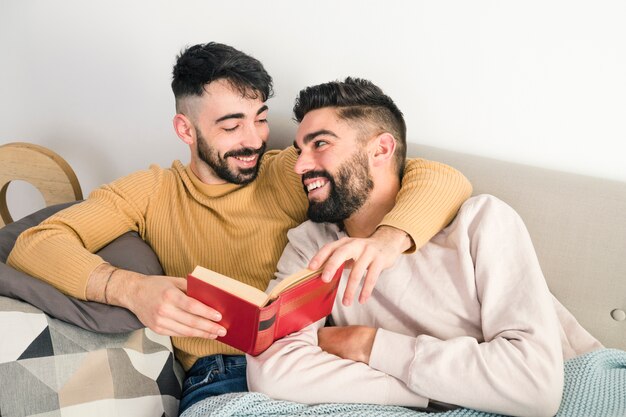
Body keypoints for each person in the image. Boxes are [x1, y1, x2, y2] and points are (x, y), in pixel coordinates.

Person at [7, 43, 472, 412]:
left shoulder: (289, 170)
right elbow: (37, 242)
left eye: (261, 119)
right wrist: (130, 290)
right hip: (221, 376)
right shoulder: (148, 192)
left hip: (317, 359)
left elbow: (438, 176)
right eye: (231, 126)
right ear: (186, 130)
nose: (253, 140)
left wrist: (390, 240)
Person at [246, 77, 603, 417]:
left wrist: (366, 344)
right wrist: (441, 391)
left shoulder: (481, 222)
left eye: (320, 144)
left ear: (381, 149)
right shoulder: (310, 243)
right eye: (300, 150)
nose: (301, 166)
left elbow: (534, 385)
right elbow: (273, 371)